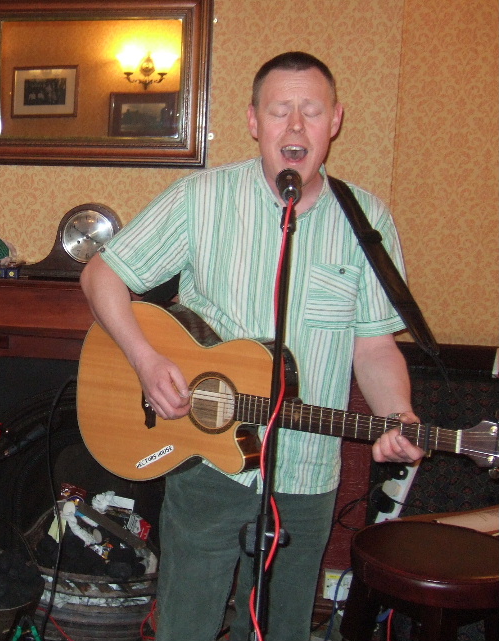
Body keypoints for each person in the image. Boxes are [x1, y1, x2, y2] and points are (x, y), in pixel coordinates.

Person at [80, 51, 426, 641]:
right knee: (185, 628)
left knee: (281, 630)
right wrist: (146, 359)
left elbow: (374, 347)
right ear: (253, 121)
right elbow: (101, 276)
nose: (295, 126)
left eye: (311, 112)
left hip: (306, 475)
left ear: (335, 121)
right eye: (280, 111)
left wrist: (398, 414)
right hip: (206, 463)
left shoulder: (366, 220)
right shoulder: (202, 198)